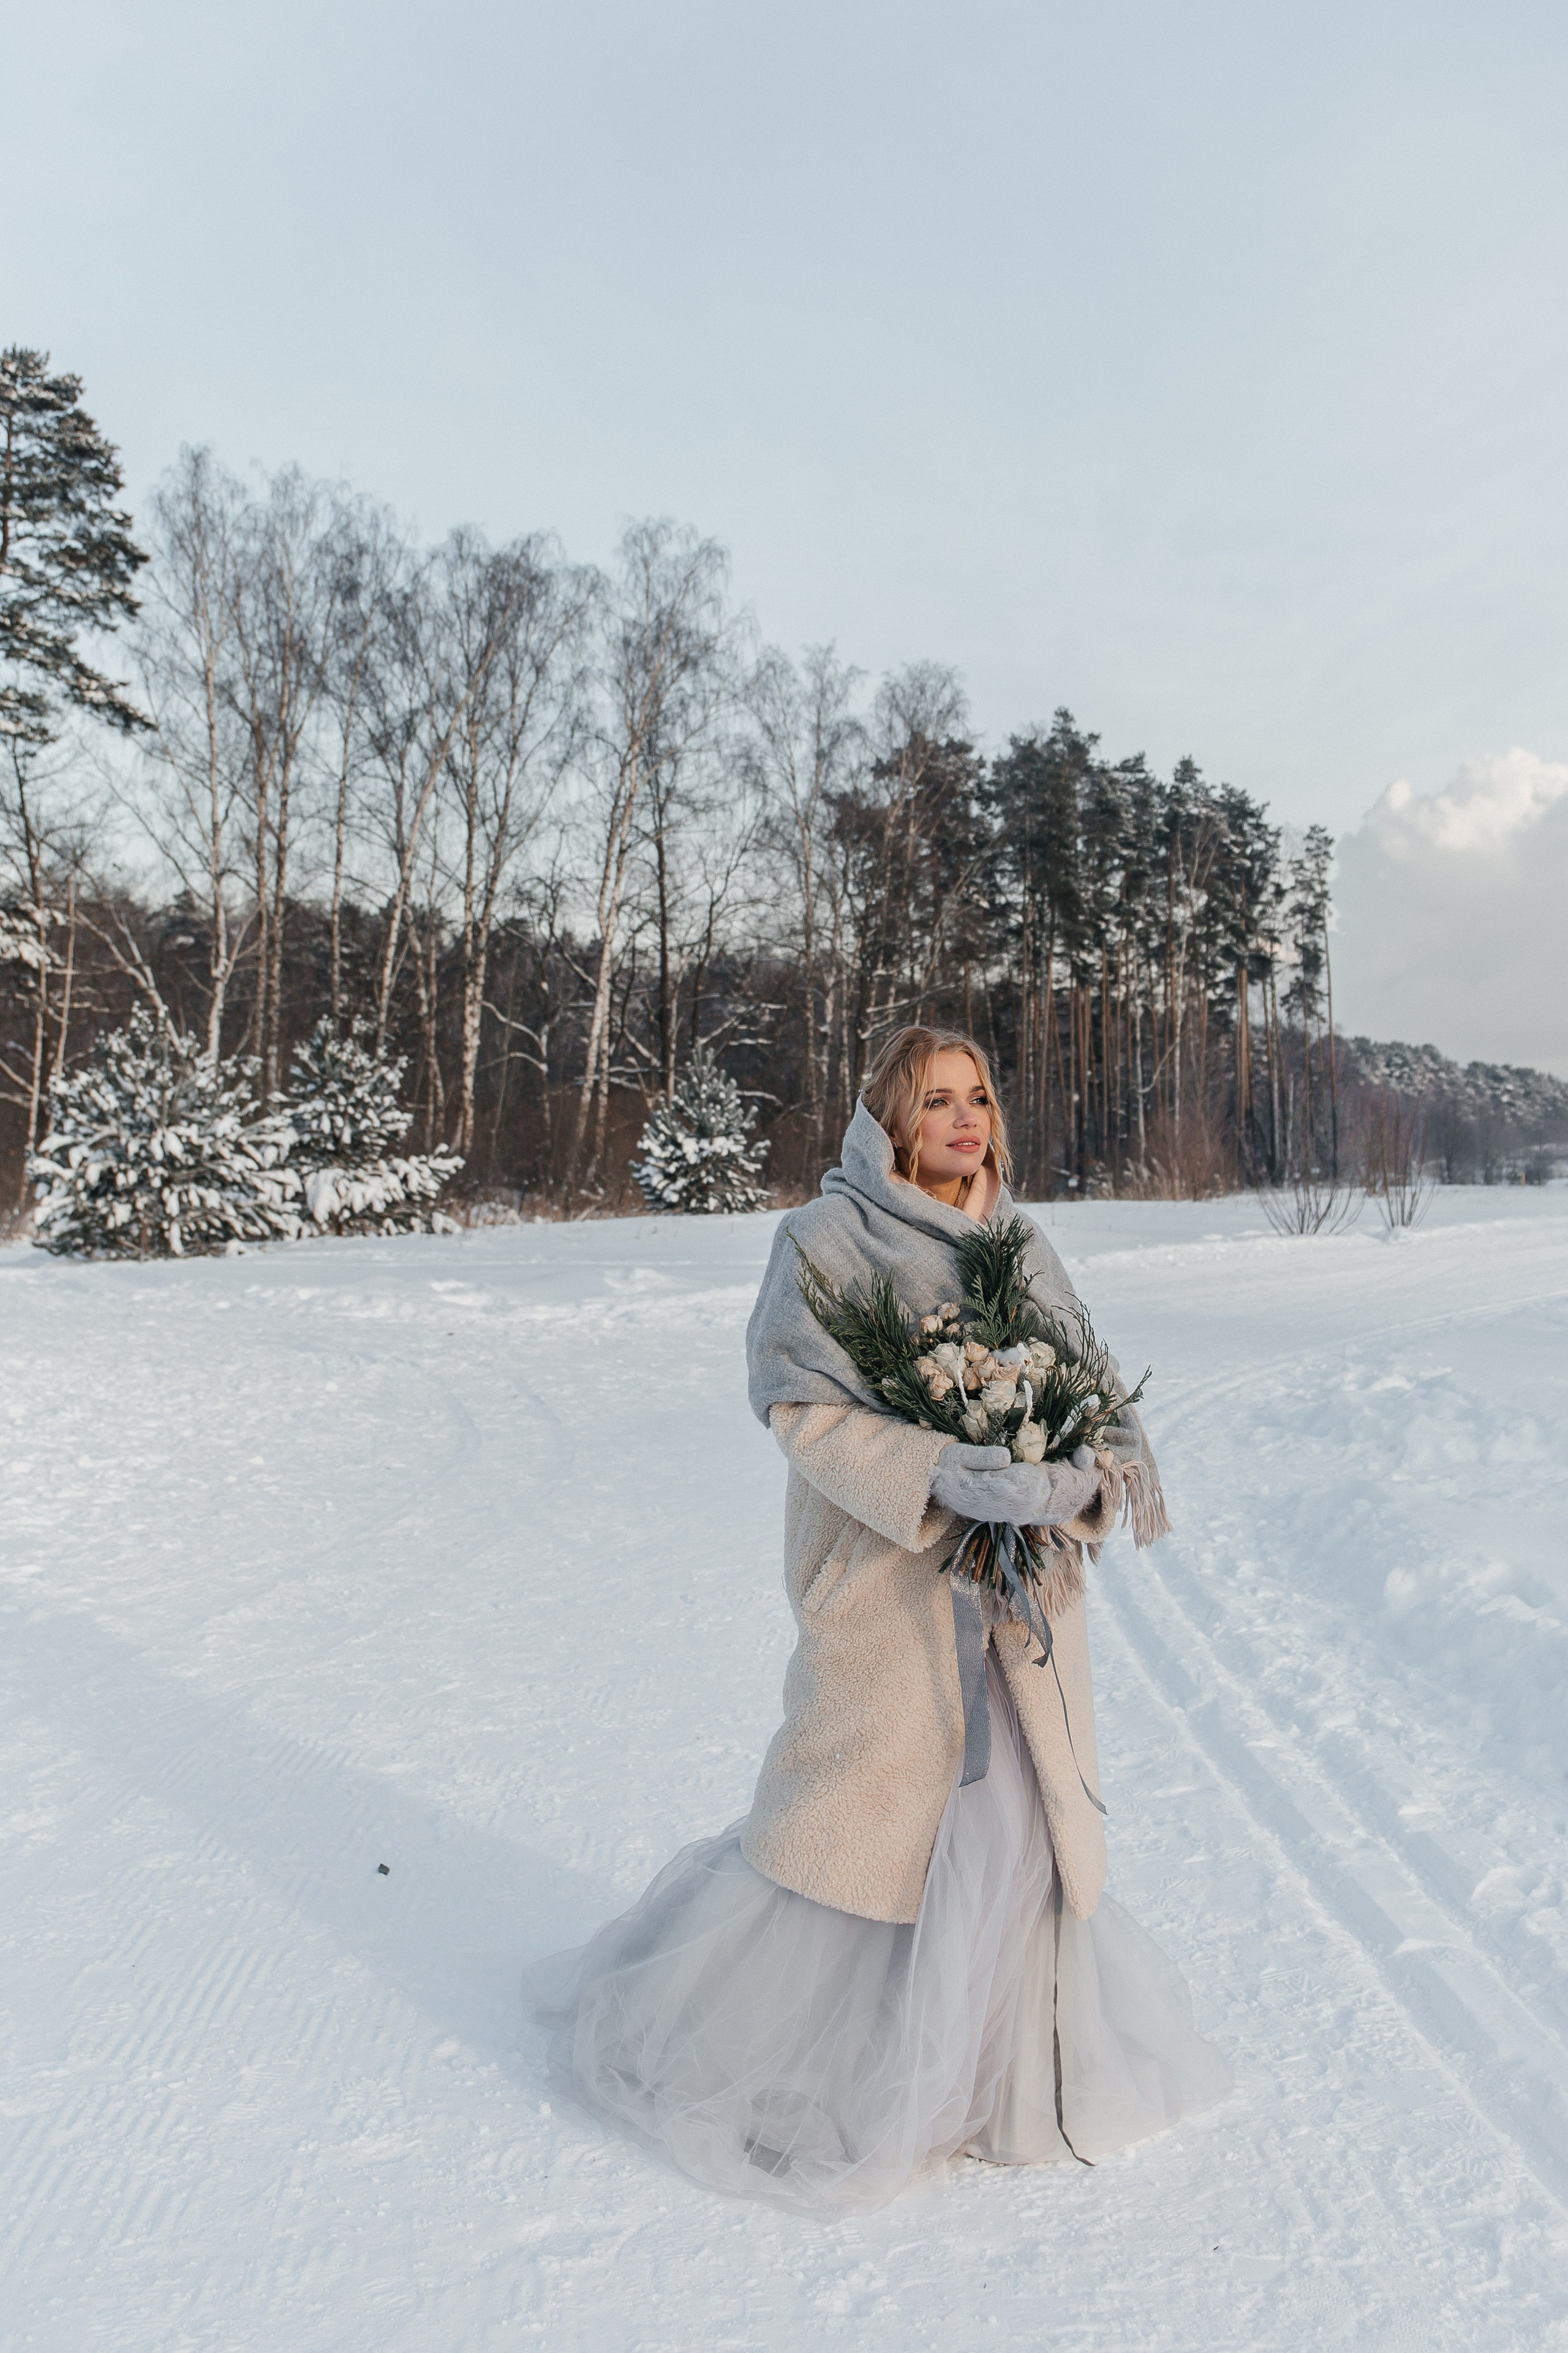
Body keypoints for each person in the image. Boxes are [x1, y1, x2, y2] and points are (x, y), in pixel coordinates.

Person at [529, 1026, 1231, 2211]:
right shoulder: (826, 1238)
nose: (967, 1118)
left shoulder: (1021, 1244)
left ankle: (992, 2079)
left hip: (1022, 1600)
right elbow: (801, 1411)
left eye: (980, 1096)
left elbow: (1099, 1396)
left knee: (1018, 1825)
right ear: (892, 1118)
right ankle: (811, 2066)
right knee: (864, 1814)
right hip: (890, 1587)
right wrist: (941, 1473)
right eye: (938, 1099)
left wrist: (1075, 1481)